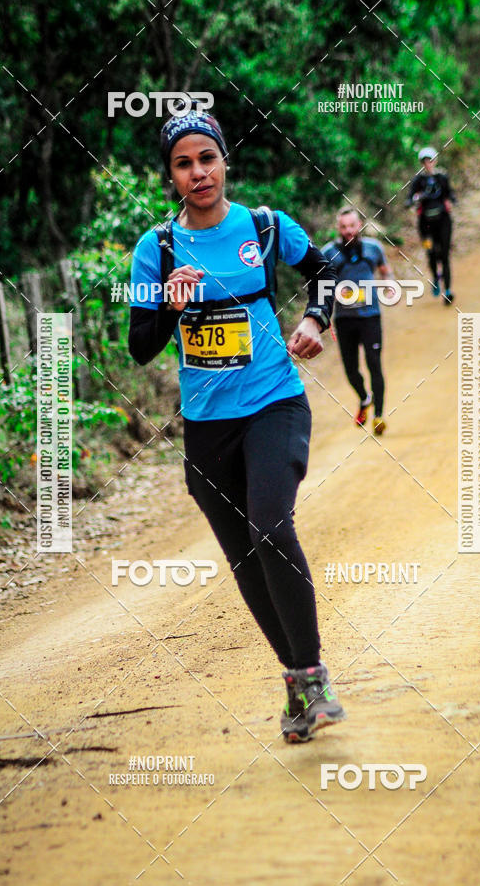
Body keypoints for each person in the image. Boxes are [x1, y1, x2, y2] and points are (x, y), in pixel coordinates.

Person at [128, 107, 346, 743]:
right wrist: (170, 305)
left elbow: (327, 270)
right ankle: (300, 686)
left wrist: (315, 319)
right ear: (170, 177)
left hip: (274, 401)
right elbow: (141, 345)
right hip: (206, 426)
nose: (199, 173)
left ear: (226, 161)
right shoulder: (157, 249)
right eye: (183, 164)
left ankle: (312, 675)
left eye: (207, 158)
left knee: (271, 526)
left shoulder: (265, 227)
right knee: (246, 558)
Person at [321, 208, 392, 435]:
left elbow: (385, 271)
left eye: (352, 226)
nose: (348, 231)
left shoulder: (374, 248)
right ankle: (364, 398)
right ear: (338, 228)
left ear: (359, 224)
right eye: (343, 227)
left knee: (374, 364)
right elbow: (320, 283)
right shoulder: (328, 253)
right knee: (351, 370)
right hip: (344, 320)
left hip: (370, 317)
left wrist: (389, 284)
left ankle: (379, 415)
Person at [407, 146, 456, 304]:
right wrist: (417, 198)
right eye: (425, 161)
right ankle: (435, 277)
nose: (428, 164)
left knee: (445, 255)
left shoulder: (442, 177)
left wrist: (450, 201)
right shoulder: (418, 181)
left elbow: (450, 194)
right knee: (430, 252)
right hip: (425, 225)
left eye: (431, 160)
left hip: (443, 221)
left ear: (435, 161)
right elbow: (408, 200)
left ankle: (447, 291)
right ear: (422, 163)